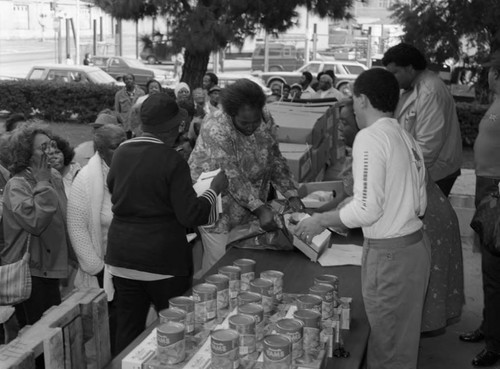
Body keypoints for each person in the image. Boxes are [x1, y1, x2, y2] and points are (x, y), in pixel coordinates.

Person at [294, 68, 430, 369]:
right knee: (401, 345)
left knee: (386, 349)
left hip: (392, 256)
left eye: (353, 99)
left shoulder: (370, 137)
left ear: (363, 100)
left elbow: (369, 209)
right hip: (414, 248)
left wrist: (320, 220)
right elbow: (419, 202)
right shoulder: (404, 135)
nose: (352, 106)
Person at [105, 93, 228, 353]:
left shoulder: (121, 152)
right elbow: (190, 215)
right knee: (176, 331)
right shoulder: (172, 160)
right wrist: (213, 189)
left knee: (127, 328)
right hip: (162, 262)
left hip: (122, 259)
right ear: (176, 127)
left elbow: (118, 189)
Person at [334, 101, 464, 335]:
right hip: (417, 225)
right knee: (404, 322)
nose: (339, 128)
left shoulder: (372, 144)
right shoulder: (392, 136)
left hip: (424, 225)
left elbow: (366, 207)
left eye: (345, 120)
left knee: (398, 324)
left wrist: (322, 220)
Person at [188, 78, 304, 275]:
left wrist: (291, 193)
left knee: (244, 260)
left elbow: (274, 158)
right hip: (217, 203)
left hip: (249, 202)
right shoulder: (215, 126)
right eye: (244, 122)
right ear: (231, 114)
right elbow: (231, 174)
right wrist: (260, 209)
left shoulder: (265, 118)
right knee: (221, 263)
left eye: (255, 121)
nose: (251, 127)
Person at [1, 124, 71, 326]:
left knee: (54, 330)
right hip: (30, 272)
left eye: (51, 145)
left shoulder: (54, 176)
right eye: (43, 148)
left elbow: (64, 220)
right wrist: (42, 182)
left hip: (49, 268)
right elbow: (36, 223)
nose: (49, 151)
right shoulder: (17, 185)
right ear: (26, 154)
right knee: (39, 336)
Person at [67, 124, 126, 355]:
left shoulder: (134, 169)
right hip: (102, 270)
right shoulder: (85, 181)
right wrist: (99, 270)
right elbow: (77, 227)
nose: (122, 149)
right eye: (115, 146)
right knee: (106, 336)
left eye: (124, 142)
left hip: (131, 266)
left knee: (128, 329)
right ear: (100, 151)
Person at [459, 50, 500, 367]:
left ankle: (496, 344)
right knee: (490, 269)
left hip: (496, 191)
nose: (487, 75)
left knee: (494, 271)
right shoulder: (497, 101)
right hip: (488, 187)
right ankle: (490, 328)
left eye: (490, 71)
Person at [382, 43, 462, 197]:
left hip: (435, 172)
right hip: (422, 169)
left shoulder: (430, 91)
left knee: (425, 219)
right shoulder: (412, 88)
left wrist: (402, 175)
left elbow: (428, 146)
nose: (391, 79)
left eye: (395, 73)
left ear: (410, 68)